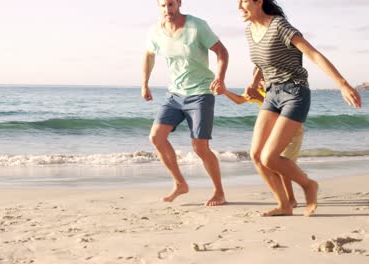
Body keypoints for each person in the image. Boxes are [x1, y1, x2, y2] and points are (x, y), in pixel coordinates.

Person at [238, 0, 362, 216]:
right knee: (256, 155)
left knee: (270, 157)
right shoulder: (250, 30)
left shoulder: (279, 26)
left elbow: (313, 54)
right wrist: (254, 80)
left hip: (295, 93)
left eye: (244, 1)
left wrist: (342, 84)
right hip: (271, 94)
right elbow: (260, 61)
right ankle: (285, 205)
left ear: (259, 2)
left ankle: (308, 185)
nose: (240, 6)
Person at [142, 0, 229, 206]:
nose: (167, 10)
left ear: (179, 3)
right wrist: (145, 83)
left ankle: (219, 192)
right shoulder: (155, 31)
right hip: (174, 94)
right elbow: (148, 55)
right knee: (156, 137)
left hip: (200, 92)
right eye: (163, 5)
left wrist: (220, 78)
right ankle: (180, 183)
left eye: (171, 4)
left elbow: (222, 52)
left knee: (200, 147)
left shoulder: (197, 26)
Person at [223, 73, 301, 208]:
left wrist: (260, 97)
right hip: (274, 131)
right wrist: (224, 91)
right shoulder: (258, 89)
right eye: (257, 80)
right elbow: (239, 100)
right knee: (274, 164)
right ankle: (289, 195)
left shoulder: (279, 90)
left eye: (262, 79)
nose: (259, 83)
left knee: (282, 165)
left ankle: (291, 198)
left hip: (292, 130)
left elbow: (282, 108)